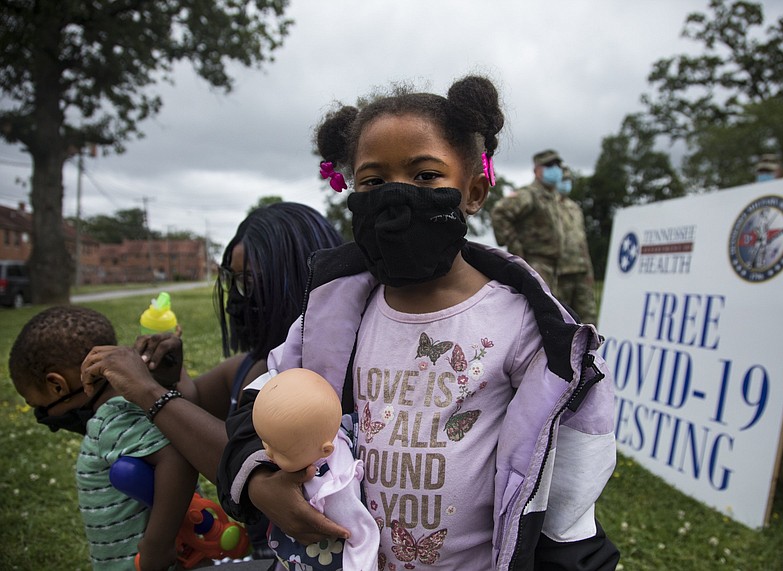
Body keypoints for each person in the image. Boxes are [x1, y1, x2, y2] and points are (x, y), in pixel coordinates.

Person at [217, 75, 619, 570]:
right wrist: (259, 481)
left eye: (426, 176)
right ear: (351, 190)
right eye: (374, 181)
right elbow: (262, 396)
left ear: (473, 191)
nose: (395, 197)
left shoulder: (522, 324)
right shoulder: (332, 314)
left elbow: (571, 485)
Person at [80, 202, 344, 561]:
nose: (236, 295)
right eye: (232, 280)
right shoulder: (247, 366)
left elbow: (242, 462)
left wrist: (148, 391)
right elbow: (193, 405)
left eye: (248, 282)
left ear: (296, 277)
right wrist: (173, 374)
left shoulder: (316, 380)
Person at [9, 306, 197, 571]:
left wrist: (157, 546)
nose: (44, 417)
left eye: (39, 406)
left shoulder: (110, 419)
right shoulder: (134, 403)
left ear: (57, 386)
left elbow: (178, 458)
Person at [253, 368, 379, 570]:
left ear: (326, 450)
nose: (268, 454)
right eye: (265, 442)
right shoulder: (314, 437)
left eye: (281, 452)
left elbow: (364, 536)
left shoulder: (336, 488)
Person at [491, 148, 565, 291]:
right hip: (535, 264)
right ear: (537, 170)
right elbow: (500, 213)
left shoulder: (552, 198)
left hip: (552, 266)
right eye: (549, 166)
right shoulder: (529, 195)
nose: (555, 170)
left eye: (557, 165)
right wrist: (516, 249)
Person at [555, 165, 598, 324]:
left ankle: (589, 348)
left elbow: (582, 240)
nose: (566, 183)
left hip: (580, 270)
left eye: (568, 180)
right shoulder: (548, 205)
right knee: (562, 318)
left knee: (588, 317)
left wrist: (589, 271)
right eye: (563, 180)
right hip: (560, 272)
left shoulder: (575, 208)